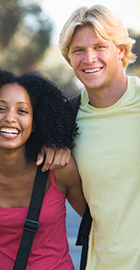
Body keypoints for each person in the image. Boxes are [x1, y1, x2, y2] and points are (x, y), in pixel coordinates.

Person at [0, 68, 86, 270]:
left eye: (22, 111)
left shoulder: (60, 168)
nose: (11, 118)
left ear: (35, 123)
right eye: (0, 109)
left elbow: (95, 223)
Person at [58, 5, 140, 269]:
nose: (89, 58)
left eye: (99, 47)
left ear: (120, 50)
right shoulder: (65, 121)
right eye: (78, 51)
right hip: (102, 262)